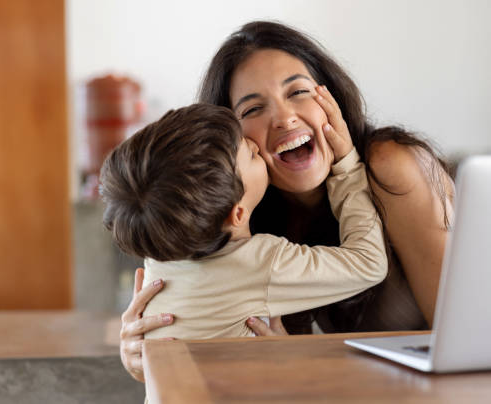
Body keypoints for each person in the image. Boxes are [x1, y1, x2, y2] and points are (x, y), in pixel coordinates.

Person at [119, 21, 454, 382]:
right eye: (251, 110)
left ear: (331, 97)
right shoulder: (231, 228)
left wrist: (301, 362)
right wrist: (139, 354)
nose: (284, 117)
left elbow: (465, 349)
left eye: (297, 92)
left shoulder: (389, 166)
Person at [101, 103, 387, 340]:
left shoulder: (161, 253)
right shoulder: (259, 262)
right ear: (236, 214)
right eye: (250, 155)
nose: (254, 144)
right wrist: (347, 167)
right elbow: (369, 263)